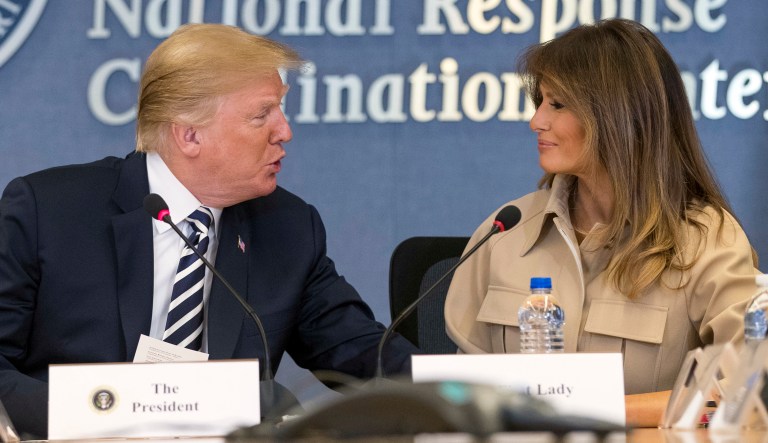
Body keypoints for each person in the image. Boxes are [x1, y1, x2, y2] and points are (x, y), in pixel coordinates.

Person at [0, 23, 418, 438]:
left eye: (281, 110)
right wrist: (89, 416)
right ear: (189, 135)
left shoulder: (287, 228)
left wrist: (466, 388)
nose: (285, 131)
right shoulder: (49, 211)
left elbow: (363, 351)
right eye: (262, 115)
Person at [444, 18, 761, 427]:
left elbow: (744, 386)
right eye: (539, 101)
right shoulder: (505, 231)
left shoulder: (706, 240)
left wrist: (590, 412)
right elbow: (460, 396)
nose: (536, 121)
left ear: (618, 115)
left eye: (557, 104)